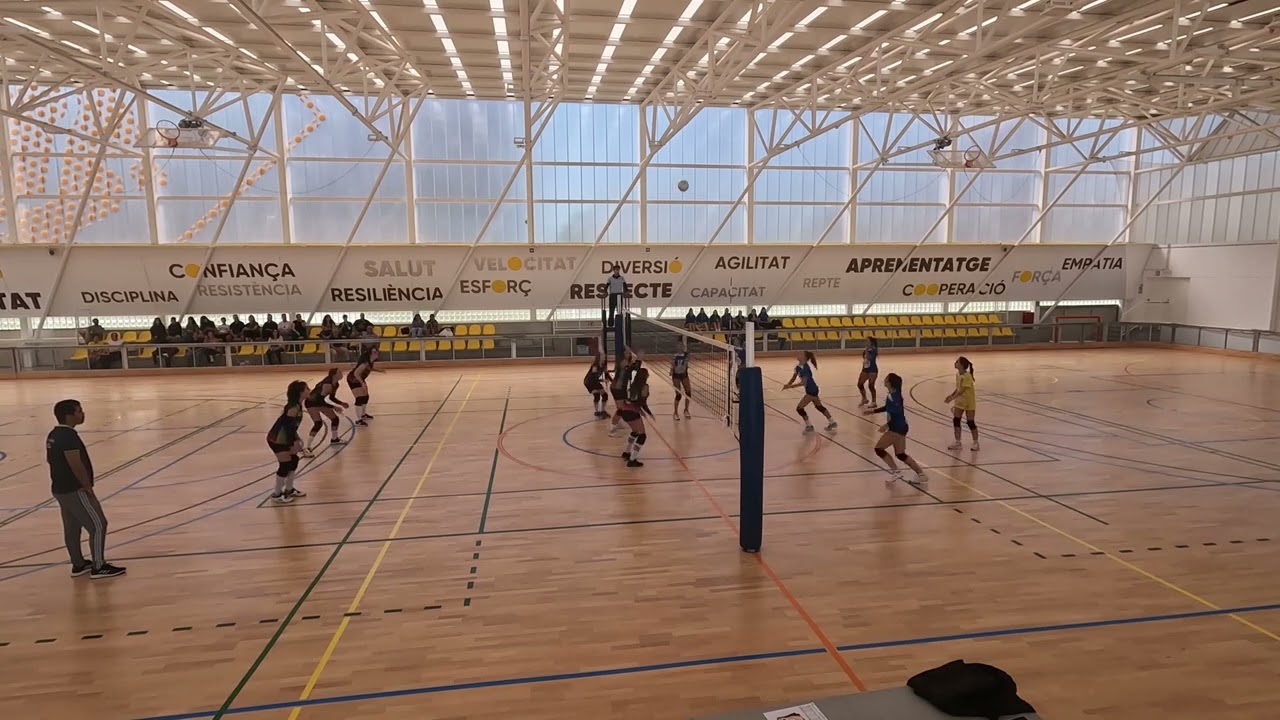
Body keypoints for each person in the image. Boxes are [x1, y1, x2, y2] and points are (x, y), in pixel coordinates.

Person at [47, 400, 125, 579]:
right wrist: (87, 487)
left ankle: (78, 564)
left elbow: (50, 460)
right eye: (79, 411)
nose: (82, 414)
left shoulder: (54, 435)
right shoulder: (68, 437)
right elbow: (76, 464)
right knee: (98, 525)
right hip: (74, 490)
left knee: (72, 528)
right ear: (69, 415)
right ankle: (99, 566)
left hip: (60, 489)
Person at [864, 373, 927, 485]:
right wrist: (873, 411)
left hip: (897, 428)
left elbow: (896, 413)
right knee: (900, 454)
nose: (884, 379)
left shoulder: (894, 397)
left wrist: (887, 425)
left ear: (889, 383)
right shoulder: (893, 394)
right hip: (900, 426)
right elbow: (888, 408)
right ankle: (921, 475)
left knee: (879, 449)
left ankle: (896, 471)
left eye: (886, 379)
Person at [267, 381, 308, 503]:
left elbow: (292, 427)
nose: (309, 391)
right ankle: (276, 494)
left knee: (294, 460)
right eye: (307, 389)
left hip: (285, 438)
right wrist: (293, 443)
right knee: (284, 465)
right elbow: (287, 427)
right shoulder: (293, 408)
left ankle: (289, 489)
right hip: (277, 439)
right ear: (300, 392)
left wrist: (297, 438)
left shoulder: (298, 405)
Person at [781, 350, 837, 433]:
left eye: (800, 354)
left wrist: (790, 386)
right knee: (819, 407)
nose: (798, 354)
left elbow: (803, 383)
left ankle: (809, 426)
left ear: (804, 358)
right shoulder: (798, 367)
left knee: (799, 408)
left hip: (811, 390)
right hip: (813, 389)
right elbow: (794, 377)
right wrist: (788, 384)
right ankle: (832, 422)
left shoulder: (805, 368)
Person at [302, 369, 348, 456]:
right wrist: (334, 407)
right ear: (334, 375)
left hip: (319, 401)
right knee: (318, 423)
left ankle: (334, 439)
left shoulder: (335, 384)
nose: (342, 374)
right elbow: (319, 400)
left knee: (335, 419)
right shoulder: (328, 384)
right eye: (339, 372)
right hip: (311, 402)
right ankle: (307, 447)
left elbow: (331, 398)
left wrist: (341, 403)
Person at [617, 364, 655, 468]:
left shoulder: (633, 385)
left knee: (635, 432)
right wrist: (648, 412)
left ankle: (626, 453)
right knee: (642, 435)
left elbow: (633, 400)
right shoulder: (644, 386)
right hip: (632, 412)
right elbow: (642, 402)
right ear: (645, 376)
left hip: (624, 411)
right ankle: (632, 460)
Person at [944, 356, 980, 451]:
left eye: (957, 362)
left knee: (970, 422)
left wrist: (952, 398)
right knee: (956, 420)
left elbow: (962, 390)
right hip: (959, 402)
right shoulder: (958, 375)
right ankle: (958, 442)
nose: (955, 363)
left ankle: (976, 442)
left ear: (961, 365)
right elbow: (958, 388)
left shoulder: (967, 376)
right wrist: (951, 395)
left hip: (968, 402)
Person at [348, 347, 383, 426]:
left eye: (376, 351)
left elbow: (370, 368)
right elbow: (356, 373)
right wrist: (362, 383)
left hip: (360, 379)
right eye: (374, 352)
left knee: (366, 396)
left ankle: (363, 414)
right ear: (370, 354)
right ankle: (358, 420)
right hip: (353, 379)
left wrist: (378, 370)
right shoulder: (365, 363)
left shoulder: (370, 362)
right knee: (359, 398)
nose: (376, 353)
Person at [584, 349, 611, 419]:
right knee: (597, 395)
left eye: (604, 356)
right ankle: (597, 412)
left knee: (605, 395)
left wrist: (612, 381)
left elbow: (606, 373)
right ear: (599, 357)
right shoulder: (595, 366)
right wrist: (603, 380)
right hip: (589, 382)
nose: (604, 357)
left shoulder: (603, 365)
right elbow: (593, 377)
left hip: (595, 381)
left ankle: (603, 411)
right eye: (603, 356)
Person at [671, 338, 692, 420]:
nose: (680, 347)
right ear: (676, 347)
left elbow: (685, 364)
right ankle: (675, 413)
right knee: (678, 395)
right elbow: (673, 366)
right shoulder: (674, 356)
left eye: (681, 345)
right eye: (678, 346)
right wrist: (671, 370)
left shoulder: (686, 355)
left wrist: (685, 363)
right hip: (676, 375)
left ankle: (686, 410)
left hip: (684, 375)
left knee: (688, 392)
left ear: (683, 347)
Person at [857, 337, 879, 408]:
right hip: (865, 369)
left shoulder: (873, 349)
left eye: (868, 341)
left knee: (871, 386)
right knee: (860, 384)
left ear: (871, 342)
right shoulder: (866, 349)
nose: (866, 342)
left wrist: (866, 350)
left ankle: (874, 402)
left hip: (872, 370)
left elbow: (869, 358)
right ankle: (864, 398)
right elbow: (864, 358)